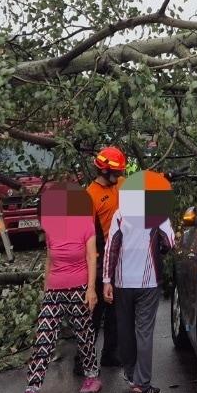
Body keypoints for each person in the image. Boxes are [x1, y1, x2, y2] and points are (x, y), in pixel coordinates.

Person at [16, 181, 102, 393]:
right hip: (54, 289)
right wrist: (46, 291)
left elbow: (91, 257)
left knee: (84, 336)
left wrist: (91, 289)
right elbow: (49, 258)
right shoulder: (51, 226)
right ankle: (32, 391)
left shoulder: (85, 223)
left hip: (79, 287)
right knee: (43, 340)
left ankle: (92, 376)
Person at [102, 176, 175, 393]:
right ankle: (141, 387)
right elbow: (169, 242)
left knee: (125, 330)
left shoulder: (119, 214)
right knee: (144, 332)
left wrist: (106, 280)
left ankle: (131, 374)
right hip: (148, 283)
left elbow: (110, 248)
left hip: (122, 282)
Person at [86, 146, 126, 367]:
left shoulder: (119, 184)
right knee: (94, 311)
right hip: (100, 259)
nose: (120, 176)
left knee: (115, 310)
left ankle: (111, 353)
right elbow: (86, 234)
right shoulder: (89, 196)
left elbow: (144, 183)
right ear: (103, 170)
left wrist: (166, 177)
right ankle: (83, 359)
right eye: (116, 172)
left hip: (119, 257)